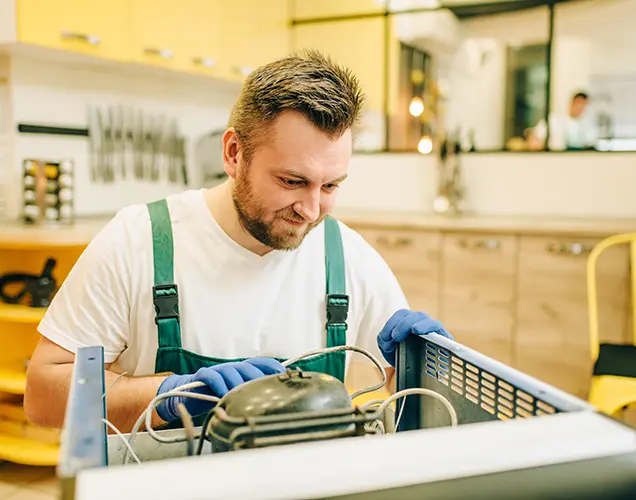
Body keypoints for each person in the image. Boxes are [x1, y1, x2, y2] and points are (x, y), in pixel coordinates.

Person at [23, 49, 453, 432]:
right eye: (292, 181)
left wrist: (426, 369)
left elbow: (404, 400)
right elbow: (43, 396)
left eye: (330, 186)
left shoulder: (349, 259)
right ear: (233, 153)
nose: (310, 209)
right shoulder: (138, 242)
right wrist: (167, 396)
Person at [529, 91, 598, 151]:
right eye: (578, 104)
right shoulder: (554, 120)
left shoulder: (588, 125)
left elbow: (591, 144)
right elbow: (535, 137)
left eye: (583, 105)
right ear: (572, 103)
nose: (580, 108)